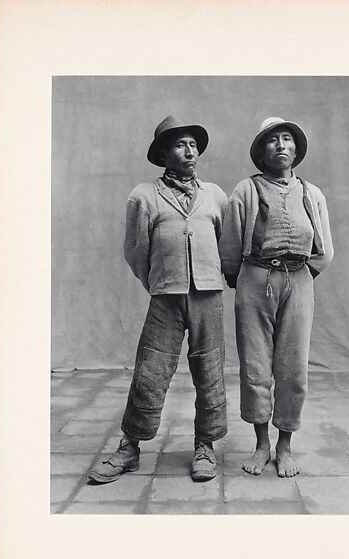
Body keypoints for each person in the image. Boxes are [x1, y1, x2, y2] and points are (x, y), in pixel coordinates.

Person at [88, 115, 228, 483]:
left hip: (209, 296)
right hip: (166, 295)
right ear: (164, 154)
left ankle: (205, 446)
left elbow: (227, 245)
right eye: (181, 145)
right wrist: (159, 282)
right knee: (150, 372)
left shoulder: (215, 194)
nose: (190, 151)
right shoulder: (144, 196)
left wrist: (216, 276)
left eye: (194, 145)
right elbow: (136, 251)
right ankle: (130, 447)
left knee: (210, 372)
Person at [218, 116, 333, 478]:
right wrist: (250, 279)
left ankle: (284, 446)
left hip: (298, 279)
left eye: (287, 139)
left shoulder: (311, 194)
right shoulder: (246, 190)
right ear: (261, 152)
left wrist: (300, 276)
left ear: (296, 150)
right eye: (272, 141)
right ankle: (261, 444)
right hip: (254, 279)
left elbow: (324, 249)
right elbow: (230, 247)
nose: (281, 145)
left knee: (292, 368)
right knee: (255, 365)